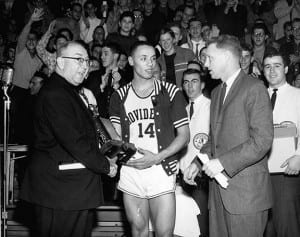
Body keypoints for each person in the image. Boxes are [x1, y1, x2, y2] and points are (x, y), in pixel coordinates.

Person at [20, 41, 117, 237]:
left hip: (69, 191)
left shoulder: (67, 92)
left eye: (87, 61)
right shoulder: (56, 93)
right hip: (60, 192)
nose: (85, 66)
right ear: (61, 62)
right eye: (79, 60)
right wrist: (105, 165)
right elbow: (74, 141)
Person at [183, 34, 274, 237]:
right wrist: (197, 163)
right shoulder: (215, 93)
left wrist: (222, 162)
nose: (205, 64)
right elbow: (214, 140)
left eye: (210, 58)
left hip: (246, 196)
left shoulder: (254, 88)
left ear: (225, 57)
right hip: (218, 196)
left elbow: (262, 141)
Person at [109, 41, 190, 237]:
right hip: (131, 170)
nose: (150, 64)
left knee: (164, 233)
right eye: (143, 59)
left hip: (160, 169)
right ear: (130, 61)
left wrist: (158, 157)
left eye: (153, 59)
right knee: (138, 231)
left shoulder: (170, 92)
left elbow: (185, 136)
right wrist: (112, 160)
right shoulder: (119, 96)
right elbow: (116, 138)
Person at [262, 50, 300, 237]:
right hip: (260, 171)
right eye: (267, 67)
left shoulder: (297, 95)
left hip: (287, 171)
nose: (272, 71)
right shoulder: (256, 97)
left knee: (287, 224)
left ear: (285, 68)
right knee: (265, 227)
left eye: (277, 66)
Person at [180, 68, 210, 237]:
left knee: (201, 225)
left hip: (202, 175)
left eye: (194, 81)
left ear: (203, 84)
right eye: (186, 82)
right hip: (182, 175)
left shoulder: (211, 107)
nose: (189, 86)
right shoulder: (181, 111)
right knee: (185, 226)